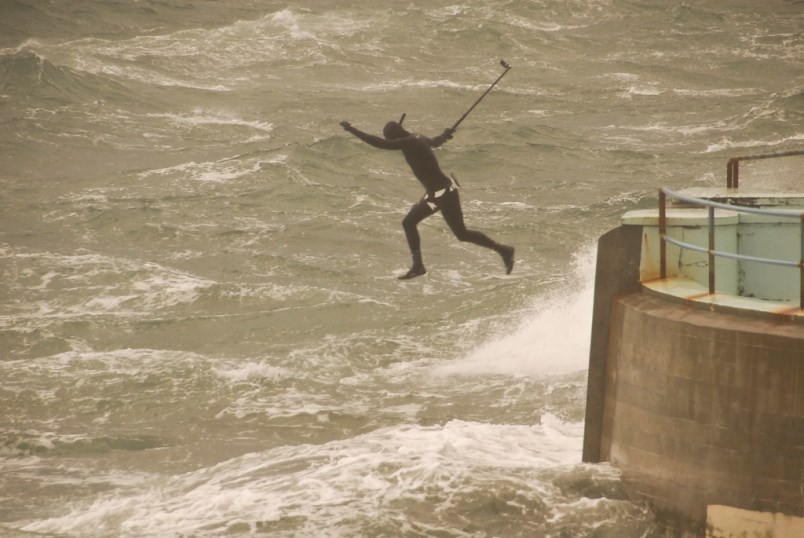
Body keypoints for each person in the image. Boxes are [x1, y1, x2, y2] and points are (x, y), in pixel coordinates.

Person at [340, 118, 515, 279]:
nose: (393, 143)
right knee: (408, 222)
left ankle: (503, 250)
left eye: (392, 139)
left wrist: (352, 130)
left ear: (396, 135)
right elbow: (436, 142)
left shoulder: (407, 142)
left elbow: (378, 143)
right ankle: (418, 266)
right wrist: (446, 134)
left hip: (445, 193)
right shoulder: (418, 137)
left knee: (461, 234)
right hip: (434, 195)